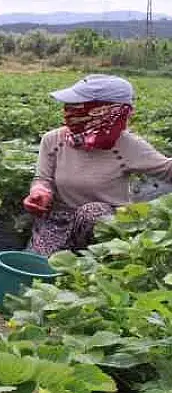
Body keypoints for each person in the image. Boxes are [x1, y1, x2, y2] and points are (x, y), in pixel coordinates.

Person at [23, 74, 172, 257]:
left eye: (78, 106)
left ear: (104, 111)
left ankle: (97, 260)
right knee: (42, 267)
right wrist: (40, 192)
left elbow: (168, 170)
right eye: (69, 105)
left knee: (92, 213)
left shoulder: (128, 146)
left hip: (105, 225)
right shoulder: (53, 140)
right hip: (57, 220)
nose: (68, 111)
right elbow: (42, 179)